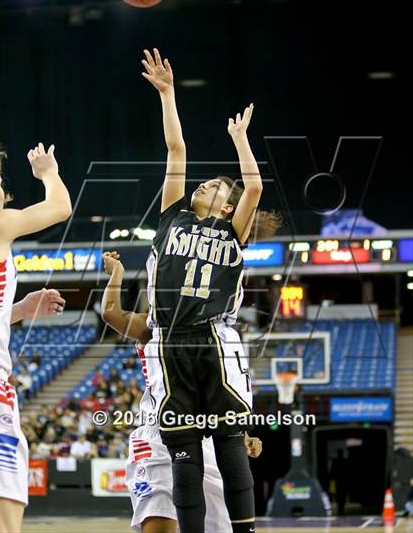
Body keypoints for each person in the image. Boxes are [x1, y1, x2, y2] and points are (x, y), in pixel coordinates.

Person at [139, 48, 279, 533]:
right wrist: (168, 94)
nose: (203, 183)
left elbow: (255, 188)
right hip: (167, 340)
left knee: (228, 440)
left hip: (216, 337)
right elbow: (176, 150)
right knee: (183, 448)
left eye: (215, 185)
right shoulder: (171, 217)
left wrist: (240, 140)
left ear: (226, 204)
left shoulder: (232, 230)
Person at [101, 251, 263, 533]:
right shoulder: (154, 326)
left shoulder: (215, 332)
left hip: (208, 438)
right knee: (160, 527)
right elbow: (110, 313)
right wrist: (116, 273)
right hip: (158, 436)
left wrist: (243, 434)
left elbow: (220, 392)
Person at [0, 144, 71, 533]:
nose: (1, 186)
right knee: (3, 514)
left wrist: (18, 310)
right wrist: (48, 174)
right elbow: (60, 207)